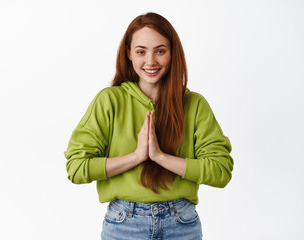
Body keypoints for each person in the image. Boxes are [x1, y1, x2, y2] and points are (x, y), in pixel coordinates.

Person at [64, 12, 233, 240]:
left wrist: (160, 157)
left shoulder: (194, 104)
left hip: (181, 223)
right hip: (124, 225)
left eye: (160, 51)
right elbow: (76, 168)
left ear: (173, 54)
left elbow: (220, 172)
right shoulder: (109, 101)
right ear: (129, 54)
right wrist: (136, 156)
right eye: (141, 51)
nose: (151, 61)